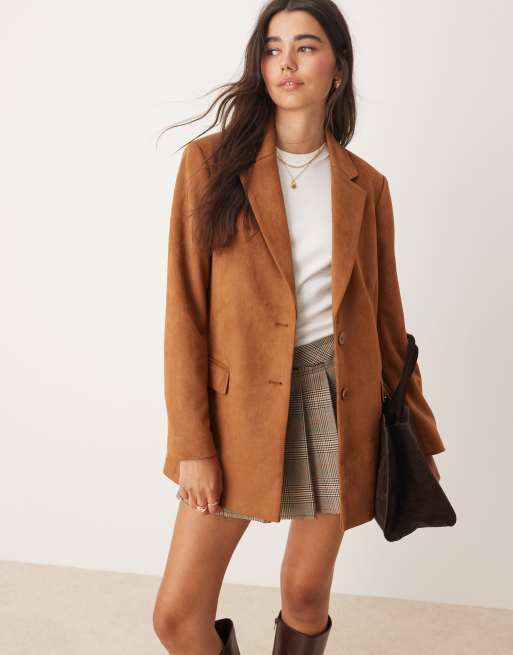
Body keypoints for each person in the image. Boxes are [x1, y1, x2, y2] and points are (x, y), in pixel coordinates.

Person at [153, 1, 445, 654]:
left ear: (337, 67)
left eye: (306, 46)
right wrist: (193, 443)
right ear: (259, 65)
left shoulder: (366, 186)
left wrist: (418, 434)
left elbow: (388, 323)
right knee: (176, 615)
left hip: (339, 401)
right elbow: (185, 313)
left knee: (306, 592)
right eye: (273, 47)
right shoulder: (209, 164)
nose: (286, 61)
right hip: (236, 411)